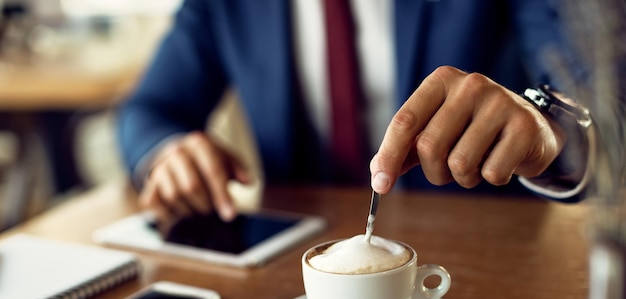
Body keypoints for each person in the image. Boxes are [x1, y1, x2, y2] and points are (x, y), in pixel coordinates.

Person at [117, 0, 593, 228]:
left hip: (486, 275)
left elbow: (604, 104)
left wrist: (548, 130)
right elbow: (149, 110)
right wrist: (167, 152)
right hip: (294, 277)